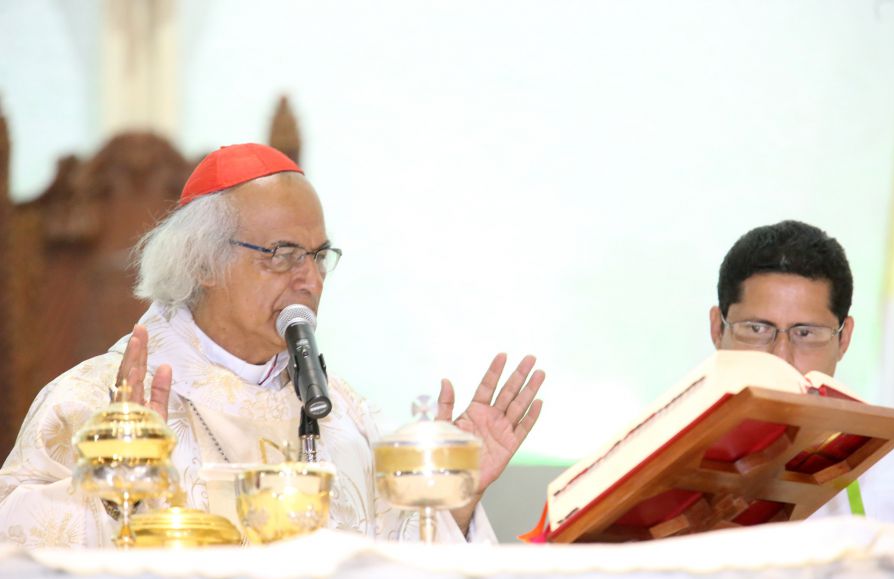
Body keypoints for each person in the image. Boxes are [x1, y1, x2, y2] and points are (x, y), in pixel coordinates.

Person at [0, 143, 545, 548]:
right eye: (282, 253)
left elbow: (396, 572)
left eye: (318, 254)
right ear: (203, 263)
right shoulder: (97, 401)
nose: (309, 277)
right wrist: (118, 488)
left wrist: (452, 500)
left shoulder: (343, 415)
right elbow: (17, 554)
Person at [709, 219, 894, 523]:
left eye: (805, 333)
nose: (780, 357)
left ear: (844, 338)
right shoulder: (655, 457)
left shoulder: (893, 473)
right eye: (757, 328)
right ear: (716, 329)